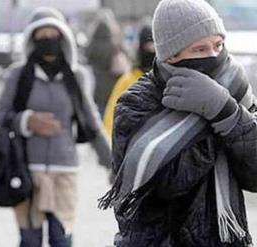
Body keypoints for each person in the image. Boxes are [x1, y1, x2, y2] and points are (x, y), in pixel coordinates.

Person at [99, 0, 257, 246]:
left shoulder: (233, 89)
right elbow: (165, 185)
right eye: (200, 49)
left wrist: (227, 112)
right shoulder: (136, 103)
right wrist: (212, 119)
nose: (214, 56)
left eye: (218, 45)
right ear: (172, 54)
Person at [0, 7, 111, 247]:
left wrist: (113, 163)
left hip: (64, 171)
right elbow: (0, 114)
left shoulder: (76, 77)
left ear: (64, 37)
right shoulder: (18, 75)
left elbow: (91, 122)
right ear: (32, 39)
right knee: (30, 240)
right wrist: (26, 121)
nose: (48, 40)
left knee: (62, 237)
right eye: (41, 35)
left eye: (53, 34)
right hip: (26, 170)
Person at [103, 25, 155, 138]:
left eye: (154, 46)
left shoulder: (169, 80)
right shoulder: (127, 81)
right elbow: (112, 115)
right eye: (148, 46)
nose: (151, 51)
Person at [86, 9, 131, 115]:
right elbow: (128, 58)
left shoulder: (91, 46)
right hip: (115, 86)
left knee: (101, 114)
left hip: (98, 89)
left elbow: (86, 59)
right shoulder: (115, 45)